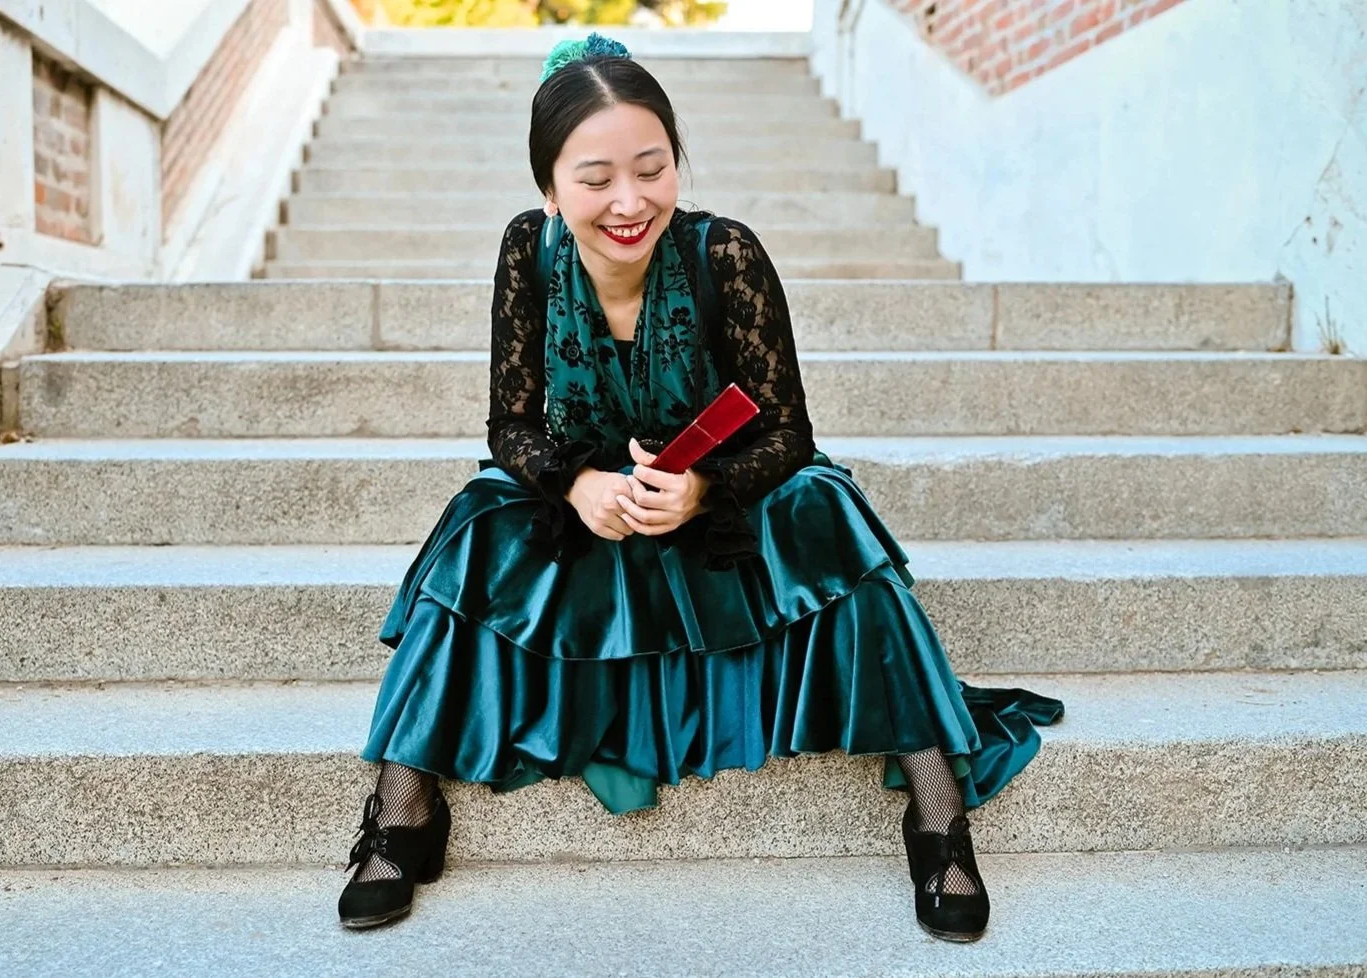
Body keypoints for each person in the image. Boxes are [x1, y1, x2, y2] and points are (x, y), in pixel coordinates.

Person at [336, 33, 1064, 943]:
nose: (629, 201)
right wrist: (576, 485)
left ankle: (937, 812)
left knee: (826, 510)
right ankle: (404, 810)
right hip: (594, 504)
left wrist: (703, 490)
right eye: (595, 178)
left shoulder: (725, 253)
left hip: (717, 500)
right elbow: (509, 424)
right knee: (478, 522)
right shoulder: (528, 250)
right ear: (549, 188)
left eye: (652, 169)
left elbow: (789, 431)